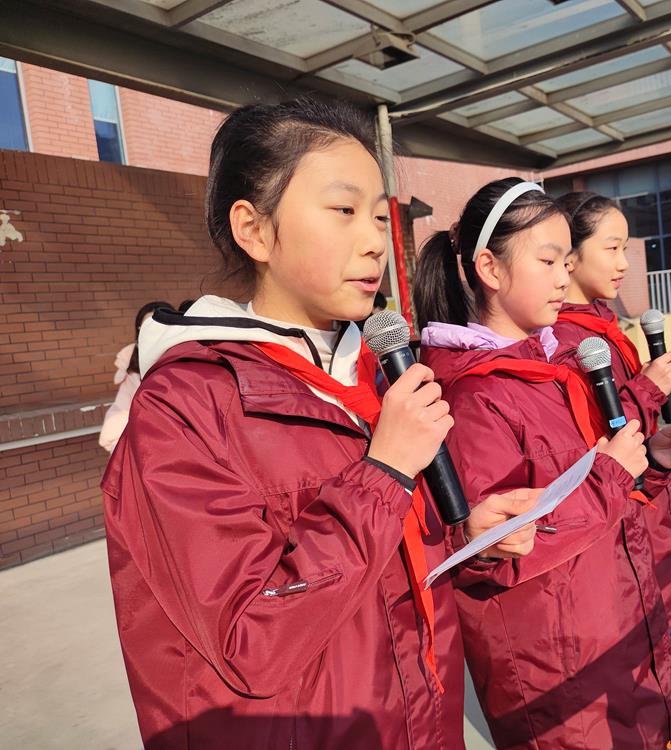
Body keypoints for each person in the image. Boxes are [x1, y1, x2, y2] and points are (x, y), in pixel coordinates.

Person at [102, 98, 533, 750]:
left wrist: (464, 536)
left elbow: (383, 570)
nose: (375, 240)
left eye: (379, 216)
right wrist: (385, 471)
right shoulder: (184, 406)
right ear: (254, 230)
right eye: (343, 210)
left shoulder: (372, 373)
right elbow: (248, 639)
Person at [413, 177, 671, 749]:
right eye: (547, 261)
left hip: (613, 626)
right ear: (490, 268)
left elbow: (602, 498)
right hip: (557, 670)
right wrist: (611, 474)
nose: (564, 277)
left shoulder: (556, 367)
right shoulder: (472, 395)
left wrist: (651, 464)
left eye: (566, 261)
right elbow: (498, 554)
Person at [552, 191, 671, 633]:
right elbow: (596, 442)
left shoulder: (603, 326)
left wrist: (659, 447)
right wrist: (647, 389)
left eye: (626, 249)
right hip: (622, 529)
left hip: (648, 511)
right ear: (571, 256)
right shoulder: (563, 341)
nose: (624, 263)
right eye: (612, 248)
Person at [98, 300, 171, 453]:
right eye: (144, 328)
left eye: (157, 327)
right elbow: (119, 414)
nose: (151, 333)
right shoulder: (133, 370)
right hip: (146, 451)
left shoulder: (188, 361)